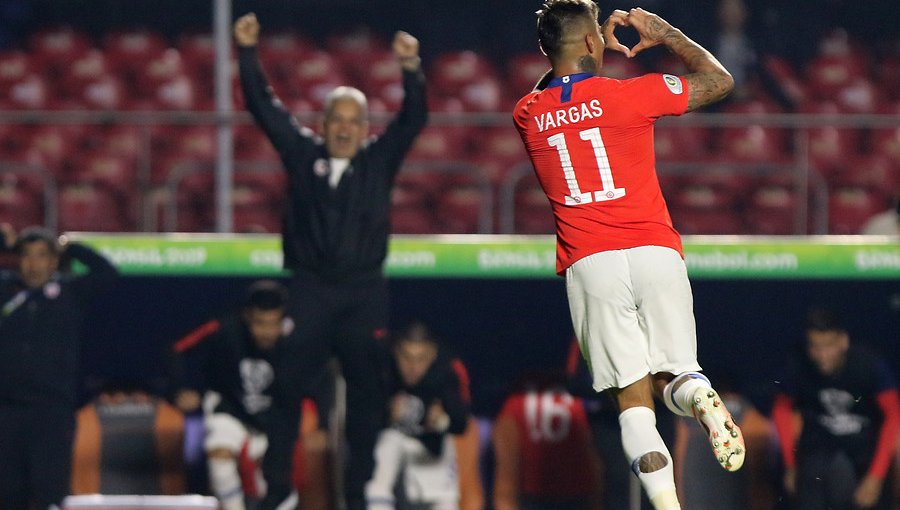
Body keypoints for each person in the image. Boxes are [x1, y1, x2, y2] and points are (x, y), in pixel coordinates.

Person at [513, 3, 743, 509]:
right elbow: (719, 80)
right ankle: (697, 394)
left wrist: (571, 43)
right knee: (678, 373)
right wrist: (666, 35)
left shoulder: (527, 114)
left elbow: (547, 83)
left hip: (591, 262)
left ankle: (666, 504)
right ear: (595, 44)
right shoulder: (630, 94)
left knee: (632, 403)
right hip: (655, 250)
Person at [234, 13, 428, 510]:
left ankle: (361, 493)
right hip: (310, 290)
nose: (343, 129)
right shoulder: (302, 156)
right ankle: (279, 492)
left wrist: (411, 70)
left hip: (363, 295)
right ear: (323, 126)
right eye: (335, 120)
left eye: (352, 121)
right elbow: (263, 107)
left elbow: (413, 120)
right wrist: (248, 53)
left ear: (365, 129)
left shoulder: (378, 162)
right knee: (285, 392)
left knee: (367, 399)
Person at [0, 224, 118, 509]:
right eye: (26, 256)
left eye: (42, 255)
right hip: (7, 411)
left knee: (48, 491)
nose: (33, 264)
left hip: (52, 412)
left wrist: (70, 246)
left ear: (54, 261)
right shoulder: (5, 291)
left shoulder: (69, 294)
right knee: (8, 491)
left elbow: (108, 274)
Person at [171, 280, 298, 510]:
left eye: (274, 324)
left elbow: (323, 374)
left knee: (276, 484)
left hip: (273, 418)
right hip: (229, 407)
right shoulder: (223, 327)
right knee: (220, 459)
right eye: (260, 324)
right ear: (247, 316)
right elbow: (178, 349)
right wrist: (180, 389)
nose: (267, 332)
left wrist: (319, 417)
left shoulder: (299, 337)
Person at [772, 307, 900, 510]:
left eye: (828, 345)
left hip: (866, 460)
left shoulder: (870, 365)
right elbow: (781, 409)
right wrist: (790, 465)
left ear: (843, 341)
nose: (822, 355)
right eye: (814, 347)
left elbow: (893, 415)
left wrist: (876, 476)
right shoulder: (797, 365)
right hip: (816, 459)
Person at [365, 322, 471, 510]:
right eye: (406, 357)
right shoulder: (381, 367)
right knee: (386, 449)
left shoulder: (447, 371)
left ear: (432, 355)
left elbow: (461, 424)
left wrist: (442, 421)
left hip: (430, 449)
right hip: (389, 444)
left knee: (444, 495)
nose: (413, 367)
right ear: (396, 352)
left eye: (421, 359)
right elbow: (361, 417)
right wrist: (386, 412)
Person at [492, 370, 602, 510]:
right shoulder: (579, 400)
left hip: (544, 495)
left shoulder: (515, 404)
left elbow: (506, 481)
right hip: (569, 495)